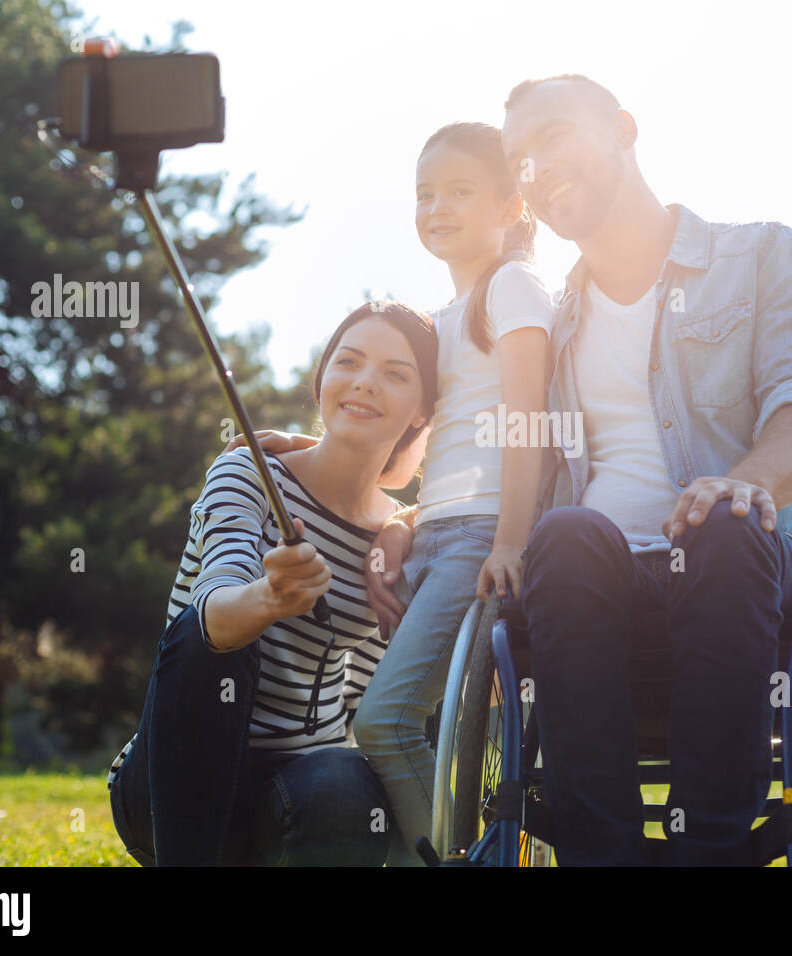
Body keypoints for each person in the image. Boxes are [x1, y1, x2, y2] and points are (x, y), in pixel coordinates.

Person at [490, 74, 792, 865]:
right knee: (563, 534)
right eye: (518, 159)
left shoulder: (762, 256)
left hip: (745, 567)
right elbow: (505, 453)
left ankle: (710, 855)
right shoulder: (552, 322)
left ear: (624, 127)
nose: (535, 168)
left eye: (551, 137)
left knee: (723, 523)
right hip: (589, 585)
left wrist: (747, 482)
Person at [244, 122, 556, 866]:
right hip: (439, 537)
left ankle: (447, 860)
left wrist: (511, 540)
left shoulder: (513, 288)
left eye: (459, 191)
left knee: (383, 723)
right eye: (424, 194)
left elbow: (527, 423)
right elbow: (402, 462)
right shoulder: (439, 320)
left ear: (512, 205)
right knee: (411, 728)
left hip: (482, 539)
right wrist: (308, 450)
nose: (436, 207)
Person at [105, 301, 439, 866]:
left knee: (345, 779)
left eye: (395, 373)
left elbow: (378, 701)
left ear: (421, 411)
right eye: (348, 361)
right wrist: (269, 599)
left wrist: (407, 521)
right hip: (169, 792)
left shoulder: (404, 542)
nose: (364, 382)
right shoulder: (247, 472)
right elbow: (211, 602)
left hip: (301, 797)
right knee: (208, 640)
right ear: (321, 380)